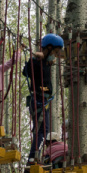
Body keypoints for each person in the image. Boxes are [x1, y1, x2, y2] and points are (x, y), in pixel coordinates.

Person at [23, 33, 64, 165]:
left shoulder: (46, 63)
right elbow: (26, 71)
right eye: (55, 52)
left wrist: (46, 61)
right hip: (38, 99)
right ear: (49, 48)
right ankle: (32, 160)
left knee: (42, 130)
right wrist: (35, 58)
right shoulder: (36, 62)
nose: (56, 55)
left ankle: (32, 159)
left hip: (42, 100)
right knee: (42, 130)